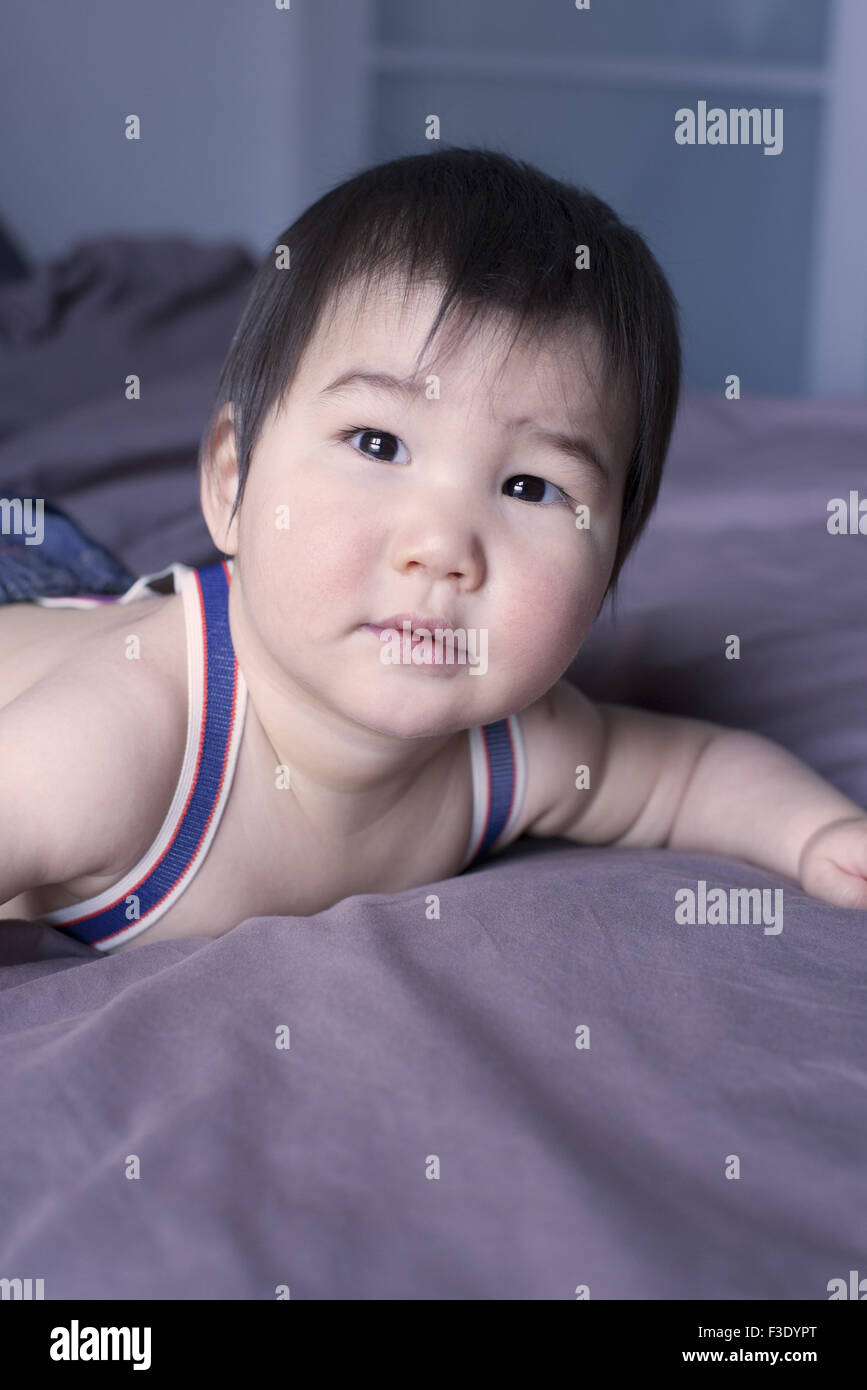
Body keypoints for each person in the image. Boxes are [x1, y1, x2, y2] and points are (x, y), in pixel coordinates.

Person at [1, 146, 865, 954]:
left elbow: (691, 774)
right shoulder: (111, 751)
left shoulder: (512, 752)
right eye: (378, 444)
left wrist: (816, 834)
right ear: (232, 484)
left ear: (612, 562)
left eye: (530, 488)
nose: (442, 548)